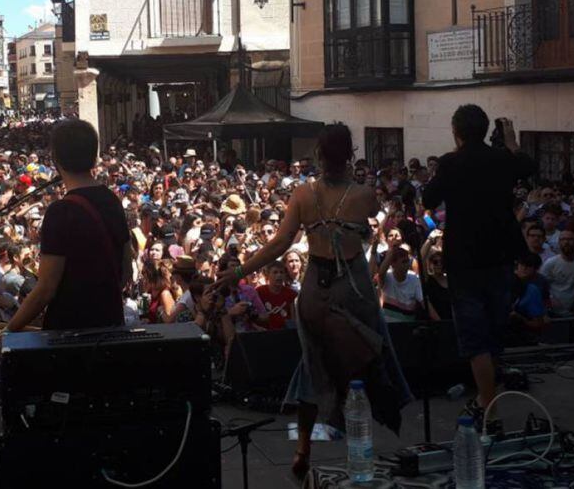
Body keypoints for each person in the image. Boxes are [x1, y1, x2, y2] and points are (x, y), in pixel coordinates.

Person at [213, 123, 409, 479]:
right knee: (364, 363)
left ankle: (303, 445)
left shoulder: (303, 195)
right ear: (350, 155)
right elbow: (372, 232)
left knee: (312, 364)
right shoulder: (365, 195)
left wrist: (239, 272)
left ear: (318, 154)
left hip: (317, 292)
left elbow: (278, 244)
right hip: (355, 291)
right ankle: (356, 446)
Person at [422, 105, 534, 428]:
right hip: (500, 255)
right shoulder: (502, 159)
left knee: (475, 339)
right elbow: (527, 166)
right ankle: (487, 398)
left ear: (456, 131)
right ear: (486, 130)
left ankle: (489, 410)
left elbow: (429, 199)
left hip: (464, 261)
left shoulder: (451, 162)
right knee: (494, 332)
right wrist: (511, 141)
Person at [6, 120, 131, 332]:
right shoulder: (113, 201)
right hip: (111, 323)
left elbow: (46, 289)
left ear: (56, 160)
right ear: (94, 157)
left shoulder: (60, 212)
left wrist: (8, 331)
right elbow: (126, 271)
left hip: (69, 333)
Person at [540, 230, 574, 316]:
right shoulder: (551, 263)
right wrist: (550, 299)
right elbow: (541, 284)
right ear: (559, 242)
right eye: (563, 239)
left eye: (570, 239)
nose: (566, 242)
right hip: (553, 311)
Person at [255, 260, 296, 330]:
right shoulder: (259, 291)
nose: (279, 275)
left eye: (281, 272)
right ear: (268, 275)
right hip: (265, 332)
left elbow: (294, 318)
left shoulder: (291, 294)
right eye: (275, 272)